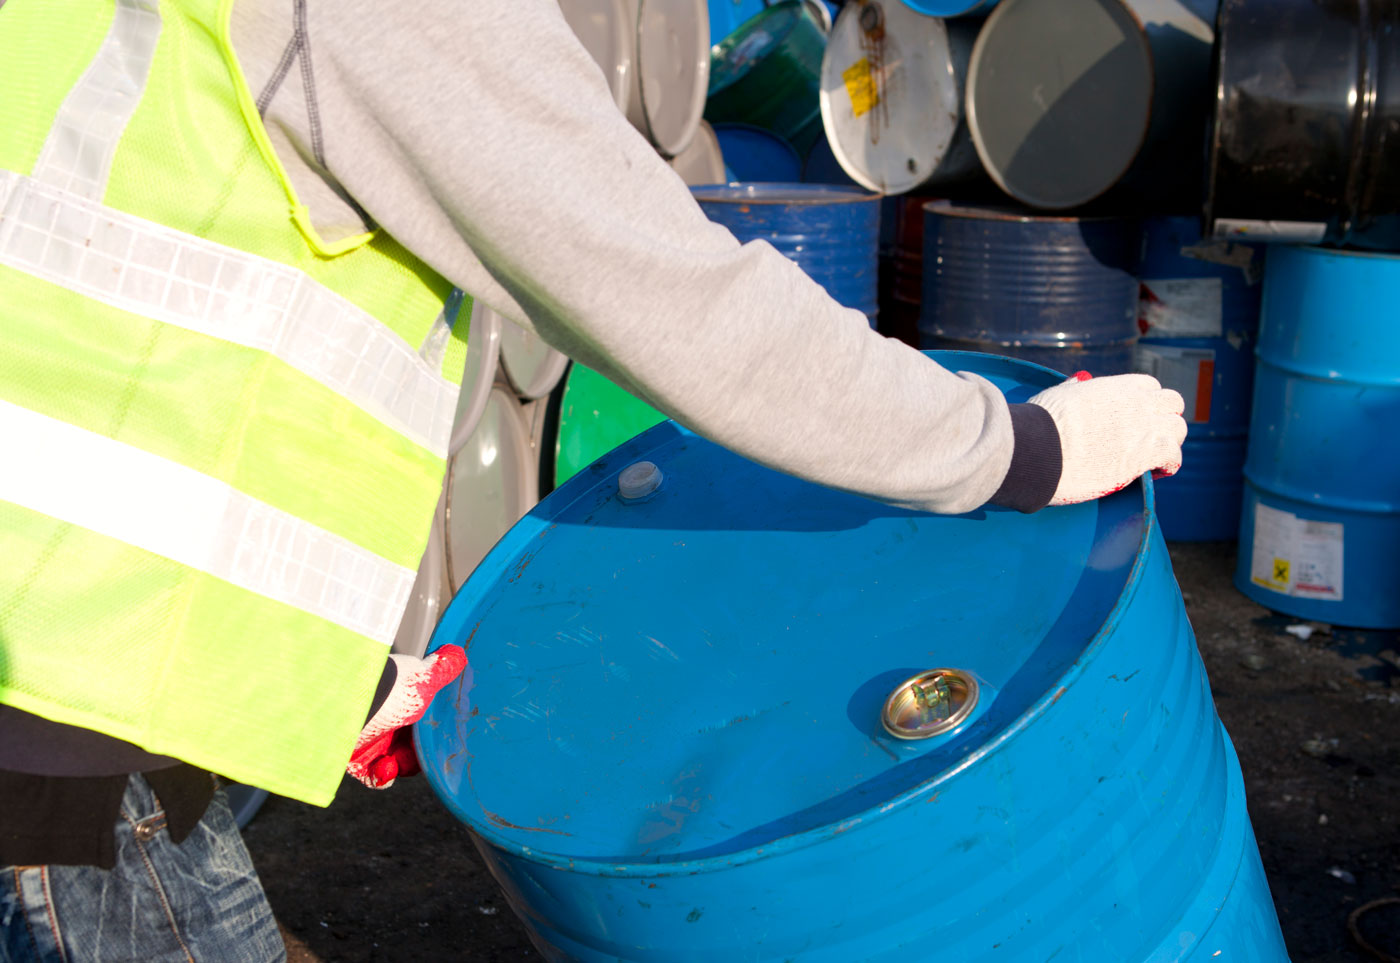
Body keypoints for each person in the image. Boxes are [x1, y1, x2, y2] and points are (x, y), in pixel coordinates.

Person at [0, 0, 1186, 959]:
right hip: (62, 726)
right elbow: (670, 299)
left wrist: (305, 660)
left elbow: (97, 338)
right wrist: (1019, 449)